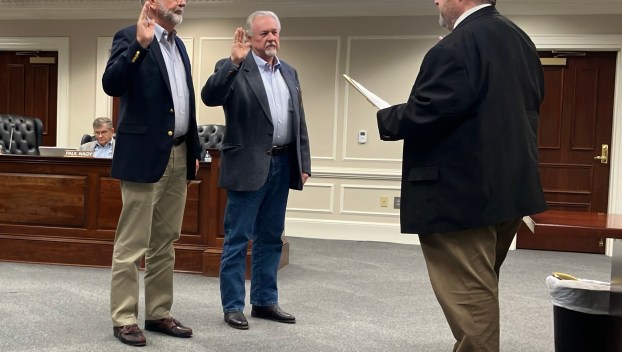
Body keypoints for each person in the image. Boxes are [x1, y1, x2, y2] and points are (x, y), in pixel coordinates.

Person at [376, 1, 546, 351]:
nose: (436, 1)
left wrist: (386, 117)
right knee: (480, 291)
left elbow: (429, 111)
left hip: (460, 200)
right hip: (508, 193)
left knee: (471, 306)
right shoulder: (520, 40)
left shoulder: (456, 45)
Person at [201, 10, 311, 330]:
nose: (271, 38)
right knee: (238, 239)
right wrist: (234, 63)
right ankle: (233, 304)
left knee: (271, 238)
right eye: (263, 33)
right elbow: (211, 96)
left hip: (282, 162)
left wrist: (303, 162)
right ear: (250, 38)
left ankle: (264, 301)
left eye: (275, 32)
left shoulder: (289, 72)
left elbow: (298, 121)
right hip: (248, 165)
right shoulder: (234, 66)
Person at [102, 0, 201, 347]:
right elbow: (112, 84)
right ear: (152, 3)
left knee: (165, 241)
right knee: (132, 244)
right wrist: (140, 47)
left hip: (178, 155)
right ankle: (124, 318)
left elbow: (185, 101)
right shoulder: (129, 36)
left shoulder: (180, 46)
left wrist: (195, 147)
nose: (182, 2)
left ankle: (158, 312)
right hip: (144, 157)